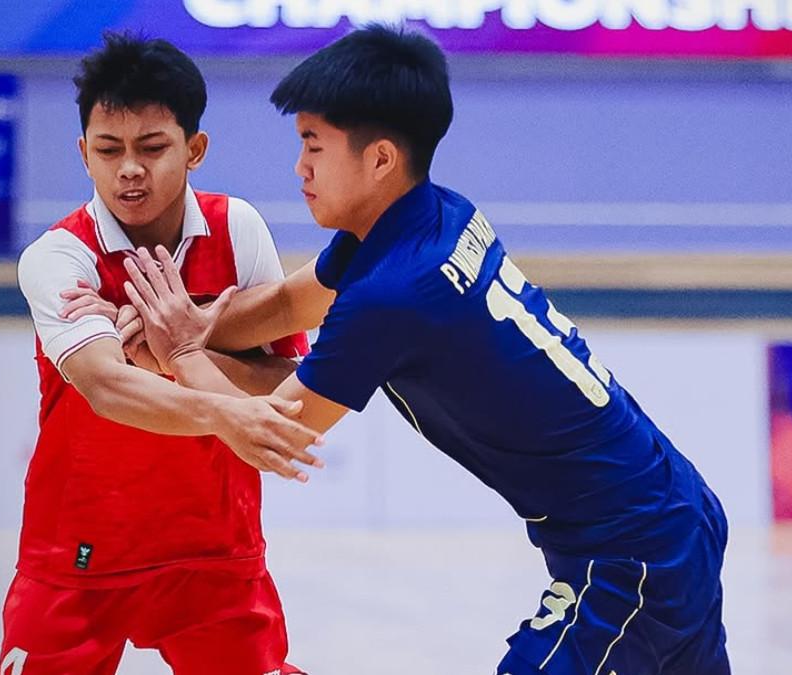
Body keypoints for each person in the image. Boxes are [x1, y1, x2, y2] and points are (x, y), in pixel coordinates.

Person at [117, 25, 730, 675]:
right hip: (671, 510)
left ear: (380, 159)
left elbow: (275, 430)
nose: (300, 167)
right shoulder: (432, 217)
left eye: (313, 146)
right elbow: (287, 307)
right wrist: (190, 325)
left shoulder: (395, 294)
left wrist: (180, 350)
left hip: (629, 557)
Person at [0, 32, 316, 675]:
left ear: (195, 150)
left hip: (214, 549)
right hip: (78, 550)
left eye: (152, 148)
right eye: (108, 150)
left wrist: (175, 350)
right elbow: (107, 388)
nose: (129, 170)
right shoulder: (59, 257)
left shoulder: (237, 229)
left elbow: (286, 381)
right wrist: (220, 405)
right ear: (84, 153)